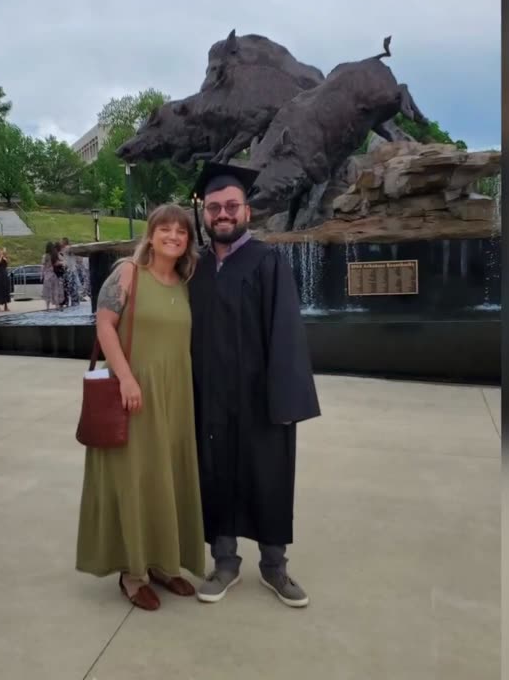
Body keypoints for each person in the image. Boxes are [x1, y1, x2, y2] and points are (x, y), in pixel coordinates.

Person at [187, 162, 321, 608]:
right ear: (204, 213)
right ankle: (224, 563)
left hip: (262, 398)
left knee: (269, 476)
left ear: (247, 211)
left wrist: (285, 398)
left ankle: (274, 566)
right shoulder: (196, 268)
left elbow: (287, 333)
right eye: (214, 208)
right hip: (210, 398)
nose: (222, 214)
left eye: (231, 206)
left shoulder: (267, 261)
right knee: (215, 475)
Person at [76, 203, 205, 612]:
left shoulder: (186, 282)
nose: (173, 236)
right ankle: (132, 574)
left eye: (181, 231)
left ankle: (163, 563)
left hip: (176, 395)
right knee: (135, 477)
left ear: (188, 240)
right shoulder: (128, 273)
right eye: (165, 229)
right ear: (151, 234)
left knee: (165, 476)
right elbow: (104, 325)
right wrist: (127, 377)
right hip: (133, 393)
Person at [41, 241, 67, 310]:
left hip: (47, 275)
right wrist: (62, 263)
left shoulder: (45, 256)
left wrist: (42, 275)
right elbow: (60, 262)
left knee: (47, 291)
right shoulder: (54, 255)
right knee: (55, 290)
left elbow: (43, 266)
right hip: (54, 274)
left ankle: (47, 307)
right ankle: (57, 305)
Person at [61, 237, 83, 306]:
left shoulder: (67, 248)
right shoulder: (69, 249)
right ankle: (75, 301)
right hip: (71, 269)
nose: (61, 243)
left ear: (64, 242)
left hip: (70, 270)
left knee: (71, 287)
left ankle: (74, 301)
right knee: (73, 287)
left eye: (61, 241)